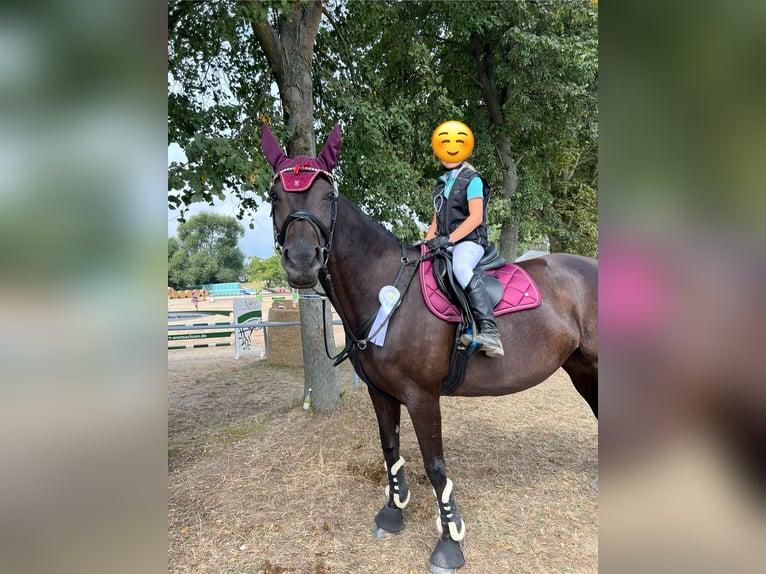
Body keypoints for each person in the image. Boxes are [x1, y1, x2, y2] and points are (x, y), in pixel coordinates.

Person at [425, 120, 504, 358]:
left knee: (460, 267)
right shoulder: (440, 186)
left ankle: (490, 331)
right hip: (447, 242)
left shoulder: (473, 179)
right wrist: (425, 245)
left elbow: (476, 217)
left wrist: (449, 239)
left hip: (471, 242)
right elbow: (435, 223)